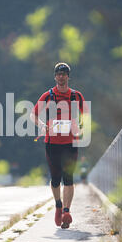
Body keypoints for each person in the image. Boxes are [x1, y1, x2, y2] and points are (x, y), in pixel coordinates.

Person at [30, 62, 86, 229]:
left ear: (68, 76)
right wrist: (41, 125)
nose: (61, 77)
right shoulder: (47, 96)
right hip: (52, 143)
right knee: (55, 180)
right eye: (58, 74)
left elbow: (86, 118)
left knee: (68, 178)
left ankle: (66, 212)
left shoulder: (76, 96)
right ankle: (58, 205)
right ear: (55, 77)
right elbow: (33, 115)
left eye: (64, 74)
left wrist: (81, 127)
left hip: (70, 143)